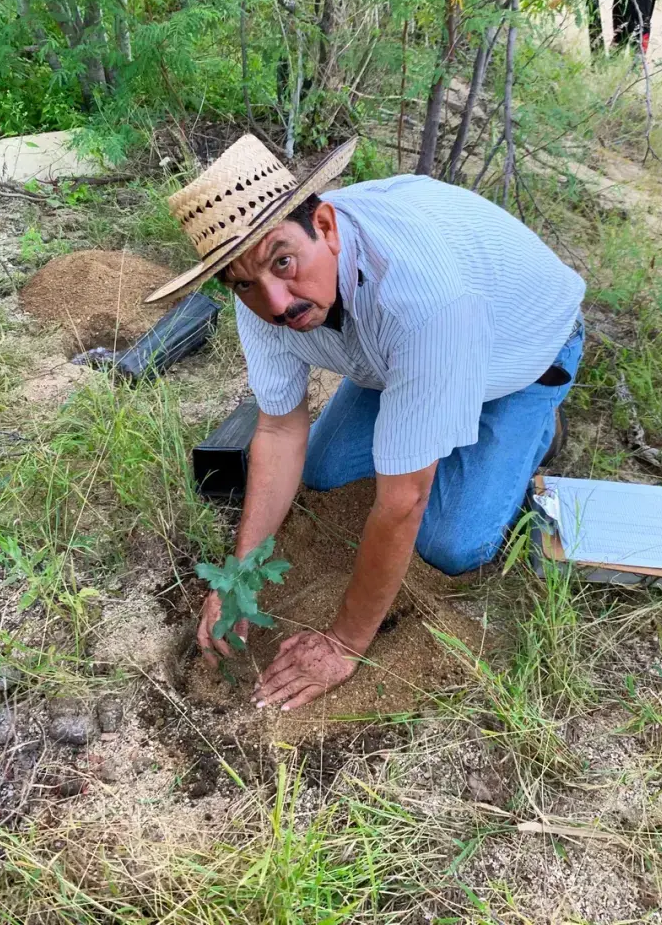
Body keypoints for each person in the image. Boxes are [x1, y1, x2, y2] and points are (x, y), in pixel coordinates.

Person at [146, 135, 586, 711]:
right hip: (396, 359)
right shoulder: (262, 288)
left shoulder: (424, 297)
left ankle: (538, 432)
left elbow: (402, 500)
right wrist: (240, 575)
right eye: (246, 283)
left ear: (325, 225)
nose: (277, 303)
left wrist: (345, 643)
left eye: (284, 261)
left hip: (519, 361)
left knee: (453, 543)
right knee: (325, 470)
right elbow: (279, 429)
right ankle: (429, 419)